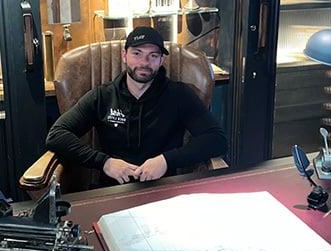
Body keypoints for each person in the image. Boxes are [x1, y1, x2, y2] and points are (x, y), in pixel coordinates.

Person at [46, 26, 227, 186]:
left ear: (161, 60)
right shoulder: (102, 96)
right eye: (137, 53)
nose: (144, 63)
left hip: (164, 188)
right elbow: (57, 135)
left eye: (153, 55)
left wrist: (166, 161)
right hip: (111, 190)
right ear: (124, 56)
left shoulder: (179, 95)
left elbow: (217, 139)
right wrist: (104, 162)